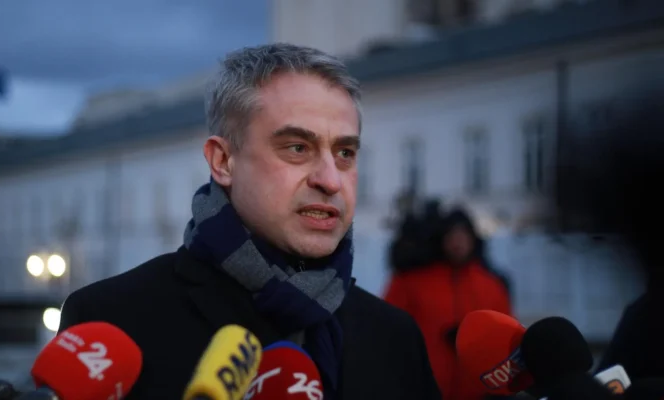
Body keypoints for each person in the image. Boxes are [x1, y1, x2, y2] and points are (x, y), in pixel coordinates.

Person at [58, 43, 441, 399]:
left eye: (345, 153)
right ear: (223, 161)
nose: (330, 180)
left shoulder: (395, 337)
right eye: (297, 148)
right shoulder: (110, 324)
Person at [384, 207, 512, 400]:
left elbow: (507, 341)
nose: (458, 243)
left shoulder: (491, 285)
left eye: (463, 236)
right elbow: (387, 330)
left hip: (477, 392)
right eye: (452, 236)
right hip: (424, 389)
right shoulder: (414, 281)